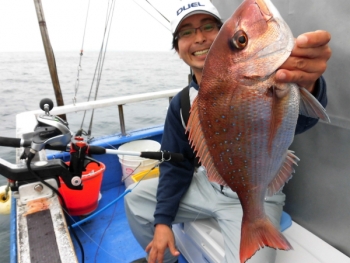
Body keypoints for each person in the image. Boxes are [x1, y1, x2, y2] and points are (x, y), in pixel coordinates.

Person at [125, 1, 332, 263]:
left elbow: (301, 121)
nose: (199, 38)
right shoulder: (182, 103)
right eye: (186, 33)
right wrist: (163, 221)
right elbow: (174, 165)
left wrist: (309, 84)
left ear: (221, 33)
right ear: (177, 49)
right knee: (136, 201)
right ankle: (166, 260)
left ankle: (253, 219)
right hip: (206, 185)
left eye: (208, 27)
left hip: (258, 189)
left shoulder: (277, 77)